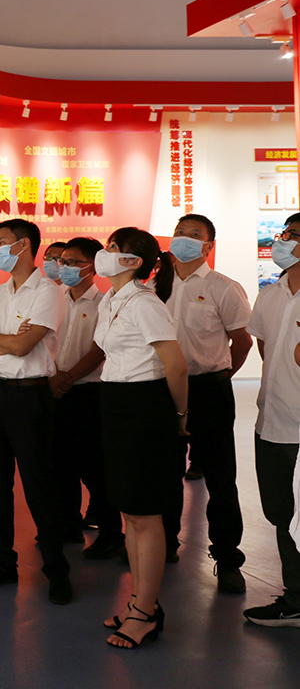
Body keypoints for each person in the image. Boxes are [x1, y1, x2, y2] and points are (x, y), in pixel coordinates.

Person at [0, 219, 72, 605]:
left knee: (38, 484)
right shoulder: (0, 292)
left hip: (30, 397)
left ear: (23, 245)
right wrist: (6, 339)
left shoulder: (47, 291)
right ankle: (1, 563)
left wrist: (0, 339)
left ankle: (56, 570)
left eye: (1, 242)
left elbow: (23, 347)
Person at [93, 227, 187, 649]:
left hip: (145, 407)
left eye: (114, 248)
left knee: (146, 515)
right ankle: (139, 603)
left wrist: (179, 415)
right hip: (116, 403)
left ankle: (145, 613)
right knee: (130, 512)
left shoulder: (146, 303)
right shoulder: (112, 299)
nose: (105, 253)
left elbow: (175, 365)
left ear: (134, 262)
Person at [162, 213, 251, 589]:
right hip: (163, 389)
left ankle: (227, 558)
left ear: (208, 246)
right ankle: (164, 545)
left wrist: (221, 377)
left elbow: (242, 341)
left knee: (219, 476)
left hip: (209, 389)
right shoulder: (156, 287)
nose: (184, 238)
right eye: (179, 232)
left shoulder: (224, 288)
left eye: (194, 234)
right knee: (164, 472)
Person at [48, 238, 123, 559]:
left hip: (88, 392)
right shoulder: (54, 299)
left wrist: (68, 377)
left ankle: (110, 533)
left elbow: (100, 349)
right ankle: (67, 524)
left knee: (94, 467)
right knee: (59, 464)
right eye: (62, 262)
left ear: (92, 266)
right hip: (53, 389)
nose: (64, 268)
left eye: (73, 262)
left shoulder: (105, 303)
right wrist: (54, 378)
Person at [242, 214, 300, 628]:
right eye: (284, 234)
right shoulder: (270, 294)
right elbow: (266, 348)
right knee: (282, 514)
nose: (283, 241)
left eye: (293, 236)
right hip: (272, 422)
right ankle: (295, 597)